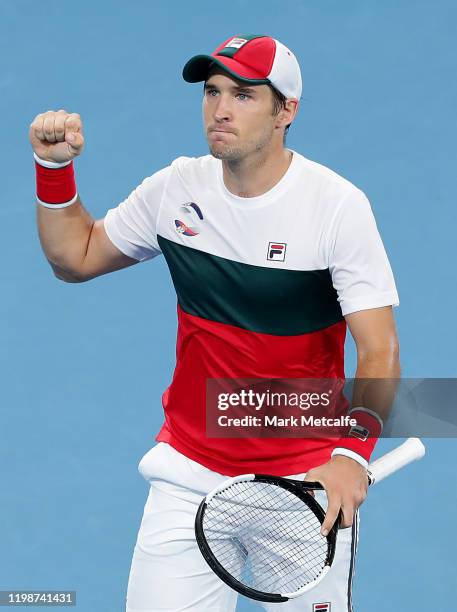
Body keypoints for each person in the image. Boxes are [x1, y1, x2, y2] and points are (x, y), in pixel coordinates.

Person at [30, 34, 400, 612]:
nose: (220, 109)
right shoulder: (175, 189)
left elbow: (379, 352)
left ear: (287, 112)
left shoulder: (336, 208)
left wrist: (353, 456)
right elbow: (75, 257)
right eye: (212, 92)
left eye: (244, 95)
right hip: (188, 476)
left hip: (305, 486)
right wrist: (53, 171)